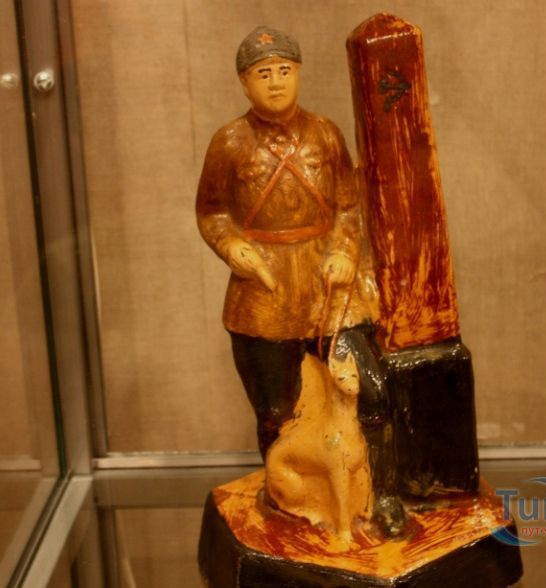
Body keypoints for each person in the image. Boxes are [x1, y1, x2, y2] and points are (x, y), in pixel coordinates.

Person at [196, 26, 404, 536]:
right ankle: (288, 502)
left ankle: (383, 494)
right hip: (264, 293)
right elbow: (211, 211)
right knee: (275, 411)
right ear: (244, 83)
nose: (275, 82)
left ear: (300, 73)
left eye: (284, 71)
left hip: (329, 287)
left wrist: (344, 252)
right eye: (263, 73)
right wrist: (232, 246)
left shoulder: (325, 133)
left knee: (372, 392)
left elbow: (349, 206)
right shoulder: (228, 142)